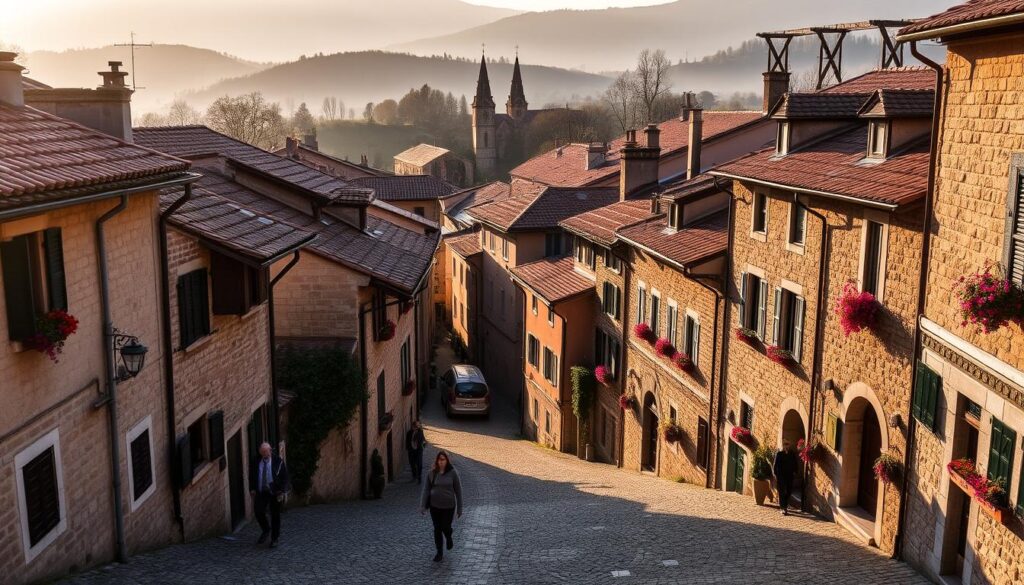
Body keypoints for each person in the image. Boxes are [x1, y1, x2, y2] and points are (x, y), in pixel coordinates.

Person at [419, 451, 463, 562]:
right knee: (437, 529)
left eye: (443, 459)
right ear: (437, 460)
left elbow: (458, 491)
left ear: (447, 460)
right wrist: (422, 505)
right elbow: (426, 490)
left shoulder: (453, 473)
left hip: (449, 506)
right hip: (435, 506)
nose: (441, 462)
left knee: (445, 526)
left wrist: (460, 508)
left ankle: (448, 536)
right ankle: (439, 552)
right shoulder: (432, 473)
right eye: (439, 459)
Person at [249, 442, 290, 547]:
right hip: (262, 490)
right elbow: (252, 475)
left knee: (275, 515)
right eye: (262, 453)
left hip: (275, 491)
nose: (264, 455)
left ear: (270, 451)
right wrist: (252, 488)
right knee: (258, 511)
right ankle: (266, 529)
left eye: (265, 452)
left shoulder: (278, 462)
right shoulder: (256, 461)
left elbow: (284, 477)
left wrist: (282, 490)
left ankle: (274, 538)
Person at [773, 439, 798, 516]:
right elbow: (775, 465)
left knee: (789, 491)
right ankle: (783, 508)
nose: (786, 446)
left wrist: (795, 471)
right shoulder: (779, 454)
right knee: (782, 491)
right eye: (785, 444)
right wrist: (776, 474)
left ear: (789, 445)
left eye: (787, 444)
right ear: (783, 445)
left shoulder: (792, 454)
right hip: (781, 475)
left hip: (789, 475)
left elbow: (795, 463)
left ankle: (785, 505)